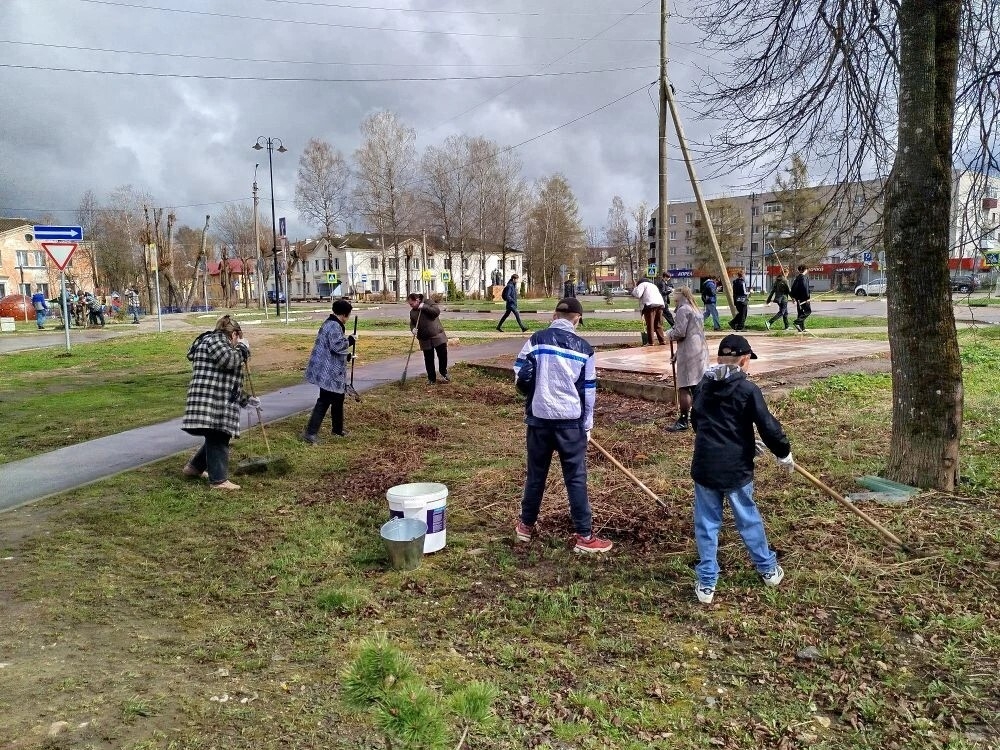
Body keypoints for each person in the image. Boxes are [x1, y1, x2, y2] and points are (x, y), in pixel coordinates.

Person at [689, 334, 793, 604]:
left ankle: (707, 582)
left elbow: (697, 422)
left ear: (719, 358)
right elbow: (768, 426)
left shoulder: (702, 385)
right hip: (736, 469)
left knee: (706, 523)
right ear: (745, 360)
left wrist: (744, 442)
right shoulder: (748, 390)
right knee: (748, 518)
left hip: (706, 465)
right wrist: (783, 452)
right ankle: (768, 569)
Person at [513, 297, 612, 554]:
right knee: (576, 478)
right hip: (570, 423)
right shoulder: (585, 349)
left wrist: (533, 393)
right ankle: (584, 536)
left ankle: (525, 526)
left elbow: (520, 373)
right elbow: (588, 391)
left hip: (539, 419)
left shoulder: (536, 340)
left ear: (555, 315)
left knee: (536, 474)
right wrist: (587, 425)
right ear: (577, 319)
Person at [180, 315, 256, 490]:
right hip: (211, 403)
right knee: (218, 436)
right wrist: (243, 348)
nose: (237, 343)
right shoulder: (216, 341)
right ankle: (219, 481)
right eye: (238, 339)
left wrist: (247, 400)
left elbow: (225, 382)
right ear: (234, 334)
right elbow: (230, 361)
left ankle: (194, 468)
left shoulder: (214, 343)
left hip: (212, 400)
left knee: (216, 435)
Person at [302, 299, 354, 443]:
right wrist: (350, 340)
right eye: (348, 315)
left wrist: (347, 356)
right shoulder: (334, 326)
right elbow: (337, 346)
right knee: (324, 400)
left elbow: (330, 349)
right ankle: (310, 433)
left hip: (329, 368)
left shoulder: (330, 323)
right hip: (327, 371)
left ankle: (337, 430)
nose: (348, 318)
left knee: (338, 398)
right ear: (344, 314)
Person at [666, 286, 709, 432]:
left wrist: (669, 334)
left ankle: (684, 420)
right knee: (696, 385)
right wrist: (677, 354)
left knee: (684, 386)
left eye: (674, 294)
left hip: (689, 353)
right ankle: (701, 417)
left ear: (680, 294)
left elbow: (680, 333)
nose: (673, 297)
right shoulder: (695, 309)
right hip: (699, 350)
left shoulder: (683, 309)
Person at [408, 293, 450, 384]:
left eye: (412, 304)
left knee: (442, 356)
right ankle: (431, 378)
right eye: (410, 304)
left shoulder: (429, 302)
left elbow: (436, 312)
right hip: (424, 339)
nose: (411, 306)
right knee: (428, 359)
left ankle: (444, 373)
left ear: (417, 300)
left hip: (438, 336)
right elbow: (412, 323)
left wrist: (424, 307)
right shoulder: (412, 312)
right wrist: (413, 329)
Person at [632, 277, 667, 345]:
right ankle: (662, 341)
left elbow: (638, 294)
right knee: (658, 324)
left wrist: (635, 288)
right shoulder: (653, 285)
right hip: (660, 304)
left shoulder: (642, 284)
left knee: (650, 324)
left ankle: (651, 342)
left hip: (650, 305)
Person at [790, 264, 812, 332]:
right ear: (805, 270)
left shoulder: (797, 277)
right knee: (808, 311)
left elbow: (792, 288)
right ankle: (797, 322)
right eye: (807, 269)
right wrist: (807, 298)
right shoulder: (804, 277)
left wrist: (793, 297)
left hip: (798, 299)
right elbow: (805, 288)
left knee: (800, 313)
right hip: (804, 298)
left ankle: (802, 328)